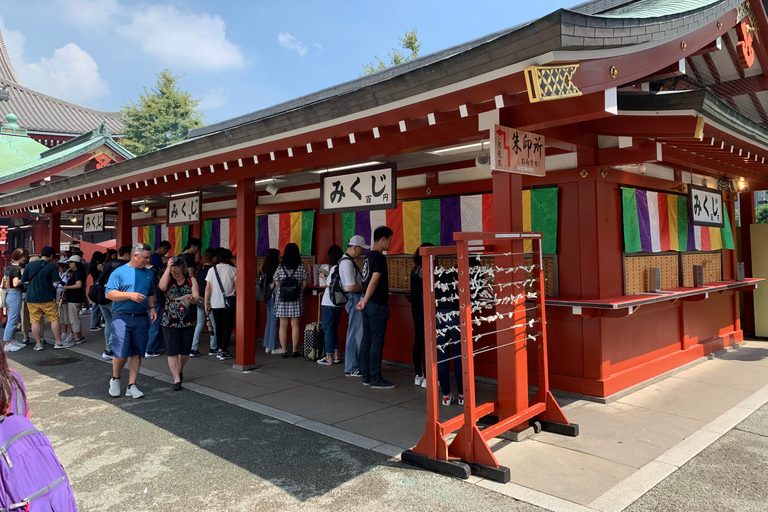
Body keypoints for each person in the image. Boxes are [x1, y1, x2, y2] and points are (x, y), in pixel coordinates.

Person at [105, 243, 157, 399]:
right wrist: (130, 295)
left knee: (137, 352)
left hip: (141, 316)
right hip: (122, 315)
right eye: (145, 257)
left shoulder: (149, 273)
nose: (148, 260)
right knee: (120, 352)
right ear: (136, 255)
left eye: (149, 257)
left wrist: (152, 308)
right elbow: (109, 294)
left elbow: (150, 293)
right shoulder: (119, 272)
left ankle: (131, 385)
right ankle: (115, 379)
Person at [356, 226, 395, 389]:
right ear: (383, 239)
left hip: (367, 304)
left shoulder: (367, 258)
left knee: (367, 340)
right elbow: (374, 280)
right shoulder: (379, 258)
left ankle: (366, 375)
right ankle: (375, 378)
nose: (391, 243)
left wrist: (364, 300)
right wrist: (366, 299)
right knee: (376, 341)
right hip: (376, 304)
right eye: (390, 239)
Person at [159, 257, 199, 391]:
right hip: (170, 320)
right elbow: (162, 287)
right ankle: (176, 379)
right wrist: (168, 268)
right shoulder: (169, 280)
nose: (175, 274)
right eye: (173, 272)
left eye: (178, 272)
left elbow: (197, 297)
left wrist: (191, 299)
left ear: (183, 270)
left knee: (185, 351)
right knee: (172, 350)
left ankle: (180, 368)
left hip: (187, 319)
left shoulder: (190, 280)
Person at [21, 246, 69, 350]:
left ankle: (38, 344)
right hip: (47, 297)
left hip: (32, 298)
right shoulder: (51, 267)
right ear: (51, 255)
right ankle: (58, 342)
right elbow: (57, 282)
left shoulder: (29, 265)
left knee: (35, 321)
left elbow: (24, 279)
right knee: (54, 319)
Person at [434, 256, 463, 406]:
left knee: (442, 357)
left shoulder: (437, 279)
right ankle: (462, 395)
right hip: (455, 315)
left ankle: (445, 395)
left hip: (439, 316)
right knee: (459, 357)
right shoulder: (457, 279)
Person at [273, 243, 308, 358]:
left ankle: (283, 351)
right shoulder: (301, 266)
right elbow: (304, 283)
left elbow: (277, 282)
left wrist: (284, 290)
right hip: (296, 298)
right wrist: (298, 291)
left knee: (282, 325)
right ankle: (294, 350)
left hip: (282, 299)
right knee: (295, 325)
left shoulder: (280, 266)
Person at [97, 245, 131, 360]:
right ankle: (111, 349)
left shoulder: (109, 264)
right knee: (116, 323)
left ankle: (108, 348)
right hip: (114, 298)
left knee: (108, 323)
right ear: (126, 255)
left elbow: (100, 280)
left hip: (102, 297)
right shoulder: (125, 267)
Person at [341, 236, 367, 377]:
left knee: (356, 333)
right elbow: (351, 286)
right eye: (361, 249)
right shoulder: (347, 263)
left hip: (353, 298)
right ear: (355, 247)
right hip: (354, 298)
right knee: (355, 334)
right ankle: (352, 367)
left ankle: (353, 365)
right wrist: (365, 287)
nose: (362, 252)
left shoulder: (349, 261)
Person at [205, 248, 236, 360]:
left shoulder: (211, 270)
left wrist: (206, 303)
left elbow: (208, 288)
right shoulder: (233, 270)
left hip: (215, 302)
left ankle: (218, 349)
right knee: (227, 327)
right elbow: (236, 287)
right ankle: (224, 350)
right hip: (229, 302)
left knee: (218, 326)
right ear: (228, 258)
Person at [410, 242, 433, 388]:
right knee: (427, 343)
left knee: (418, 341)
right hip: (426, 309)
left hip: (415, 309)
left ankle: (418, 374)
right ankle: (428, 376)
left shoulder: (414, 269)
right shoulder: (426, 270)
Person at [318, 245, 344, 365]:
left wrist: (323, 277)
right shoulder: (343, 267)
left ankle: (328, 357)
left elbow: (329, 286)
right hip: (338, 303)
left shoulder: (333, 268)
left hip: (328, 302)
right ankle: (336, 355)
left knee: (328, 330)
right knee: (334, 329)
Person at [193, 248, 218, 357]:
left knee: (199, 324)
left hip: (200, 299)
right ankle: (213, 347)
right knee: (213, 324)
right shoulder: (212, 270)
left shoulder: (200, 269)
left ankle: (193, 347)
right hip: (209, 299)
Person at [3, 249, 26, 352]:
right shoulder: (16, 269)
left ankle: (12, 340)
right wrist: (25, 279)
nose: (25, 258)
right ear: (21, 257)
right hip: (15, 293)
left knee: (12, 318)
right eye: (25, 256)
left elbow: (4, 282)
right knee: (13, 320)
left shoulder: (8, 267)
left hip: (8, 294)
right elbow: (16, 283)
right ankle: (8, 343)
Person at [62, 255, 88, 344]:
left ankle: (77, 337)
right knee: (75, 318)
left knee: (74, 319)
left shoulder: (77, 273)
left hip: (74, 298)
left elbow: (78, 285)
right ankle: (78, 336)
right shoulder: (79, 272)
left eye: (70, 262)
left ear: (75, 263)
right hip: (77, 298)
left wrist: (67, 287)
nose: (69, 264)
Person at [261, 248, 280, 354]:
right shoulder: (276, 268)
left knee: (269, 321)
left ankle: (267, 345)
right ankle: (273, 346)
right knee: (274, 321)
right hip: (274, 296)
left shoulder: (265, 268)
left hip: (267, 296)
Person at [55, 259, 72, 344]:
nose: (61, 267)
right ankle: (64, 332)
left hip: (65, 297)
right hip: (58, 298)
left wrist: (59, 282)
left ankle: (71, 333)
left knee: (67, 317)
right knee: (61, 317)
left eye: (63, 265)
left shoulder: (68, 275)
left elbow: (66, 284)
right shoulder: (58, 274)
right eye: (60, 265)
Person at [88, 251, 105, 331]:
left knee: (95, 306)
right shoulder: (99, 265)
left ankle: (94, 324)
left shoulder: (91, 265)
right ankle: (94, 325)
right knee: (98, 306)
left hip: (94, 284)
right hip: (100, 286)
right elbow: (104, 274)